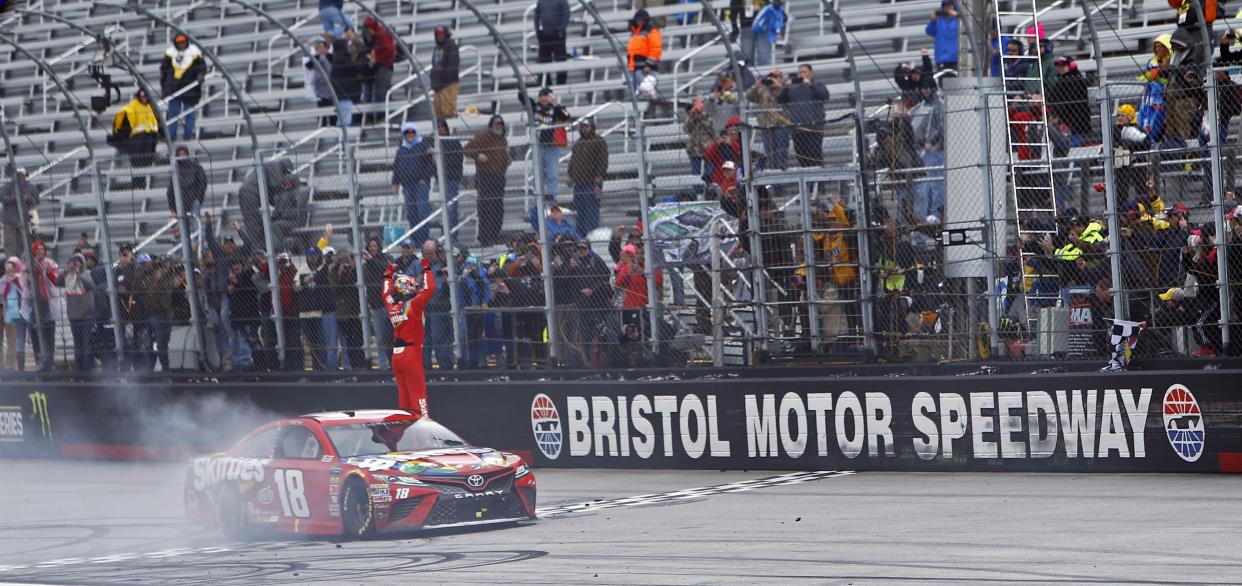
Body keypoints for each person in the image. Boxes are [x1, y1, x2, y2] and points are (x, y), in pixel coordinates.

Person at [384, 255, 436, 416]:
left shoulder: (392, 304)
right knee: (419, 402)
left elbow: (385, 291)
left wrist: (388, 274)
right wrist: (427, 268)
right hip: (411, 355)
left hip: (396, 356)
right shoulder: (414, 305)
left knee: (404, 403)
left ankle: (406, 436)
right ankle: (424, 436)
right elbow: (430, 289)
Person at [464, 115, 512, 245]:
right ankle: (485, 237)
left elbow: (504, 154)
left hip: (499, 178)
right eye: (496, 124)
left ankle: (495, 235)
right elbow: (467, 149)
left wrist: (507, 160)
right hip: (485, 176)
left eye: (500, 124)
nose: (498, 127)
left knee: (498, 208)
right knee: (486, 208)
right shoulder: (482, 136)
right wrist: (478, 155)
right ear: (491, 125)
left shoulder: (503, 140)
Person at [521, 87, 571, 201]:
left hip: (552, 146)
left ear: (551, 97)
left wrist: (557, 103)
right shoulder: (535, 107)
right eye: (541, 96)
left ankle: (552, 204)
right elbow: (522, 98)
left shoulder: (556, 108)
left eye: (546, 95)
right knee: (538, 176)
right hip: (538, 145)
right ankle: (539, 203)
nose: (543, 98)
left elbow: (567, 116)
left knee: (552, 175)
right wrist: (523, 84)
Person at [779, 64, 830, 168]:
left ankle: (819, 181)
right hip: (797, 129)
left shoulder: (818, 85)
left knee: (815, 156)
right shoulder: (794, 89)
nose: (802, 74)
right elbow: (781, 100)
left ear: (811, 73)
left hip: (814, 128)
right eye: (800, 72)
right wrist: (786, 88)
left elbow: (825, 95)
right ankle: (808, 181)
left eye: (804, 72)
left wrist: (810, 85)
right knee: (802, 157)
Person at [392, 122, 436, 244]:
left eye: (412, 133)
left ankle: (423, 239)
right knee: (411, 213)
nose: (409, 135)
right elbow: (397, 167)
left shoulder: (423, 145)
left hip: (420, 184)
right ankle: (415, 239)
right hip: (407, 186)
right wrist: (395, 182)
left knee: (422, 211)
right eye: (407, 133)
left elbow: (431, 164)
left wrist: (424, 178)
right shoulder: (401, 150)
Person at [159, 33, 206, 141]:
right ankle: (171, 136)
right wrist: (164, 89)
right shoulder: (170, 53)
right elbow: (163, 72)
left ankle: (188, 135)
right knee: (173, 113)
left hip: (190, 88)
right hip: (174, 88)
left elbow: (202, 67)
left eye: (183, 42)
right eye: (179, 42)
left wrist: (200, 75)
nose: (181, 44)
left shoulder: (195, 51)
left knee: (190, 113)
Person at [111, 89, 161, 188]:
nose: (144, 99)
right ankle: (138, 184)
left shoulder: (151, 108)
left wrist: (159, 135)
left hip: (150, 139)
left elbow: (156, 123)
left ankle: (141, 183)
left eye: (145, 97)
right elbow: (121, 125)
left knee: (146, 162)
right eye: (142, 97)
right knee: (138, 163)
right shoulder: (131, 108)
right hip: (137, 140)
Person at [567, 117, 608, 236]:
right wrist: (570, 175)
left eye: (587, 127)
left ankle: (592, 237)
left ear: (592, 127)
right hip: (578, 184)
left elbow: (603, 161)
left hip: (592, 183)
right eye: (582, 127)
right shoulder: (578, 143)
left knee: (592, 212)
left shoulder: (599, 141)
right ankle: (581, 237)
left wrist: (599, 177)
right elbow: (572, 161)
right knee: (580, 213)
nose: (584, 129)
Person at [56, 253, 94, 372]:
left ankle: (87, 370)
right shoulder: (67, 275)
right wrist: (66, 270)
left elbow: (90, 285)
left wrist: (78, 273)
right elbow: (57, 282)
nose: (75, 264)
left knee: (87, 343)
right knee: (78, 344)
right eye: (72, 261)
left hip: (86, 315)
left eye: (77, 261)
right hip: (73, 314)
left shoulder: (87, 273)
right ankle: (79, 370)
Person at [329, 247, 366, 370]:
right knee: (349, 344)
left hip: (356, 312)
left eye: (347, 259)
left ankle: (361, 367)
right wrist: (339, 273)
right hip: (343, 314)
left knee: (359, 342)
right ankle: (353, 368)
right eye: (342, 260)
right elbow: (335, 290)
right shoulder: (334, 272)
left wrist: (353, 268)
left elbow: (356, 286)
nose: (345, 263)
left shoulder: (356, 271)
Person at [748, 68, 791, 170]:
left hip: (781, 125)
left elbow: (788, 98)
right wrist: (756, 86)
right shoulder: (763, 91)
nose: (772, 79)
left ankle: (782, 174)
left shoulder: (785, 88)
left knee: (781, 153)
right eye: (770, 77)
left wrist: (779, 86)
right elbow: (749, 97)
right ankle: (773, 175)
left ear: (781, 78)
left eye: (775, 77)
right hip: (766, 126)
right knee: (770, 154)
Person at [363, 235, 393, 369]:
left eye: (374, 246)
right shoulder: (365, 265)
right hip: (375, 305)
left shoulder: (384, 259)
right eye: (370, 247)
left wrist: (372, 260)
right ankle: (383, 365)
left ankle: (394, 363)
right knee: (380, 338)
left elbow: (384, 270)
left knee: (391, 336)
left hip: (387, 303)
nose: (372, 249)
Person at [1047, 56, 1090, 146]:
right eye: (1059, 66)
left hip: (1076, 121)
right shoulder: (1062, 79)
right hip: (1067, 120)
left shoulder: (1074, 79)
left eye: (1063, 65)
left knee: (1073, 147)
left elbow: (1068, 100)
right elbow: (1052, 98)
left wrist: (1058, 116)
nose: (1060, 68)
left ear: (1071, 66)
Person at [27, 240, 57, 372]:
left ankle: (50, 361)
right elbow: (27, 280)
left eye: (43, 249)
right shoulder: (29, 264)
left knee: (49, 332)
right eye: (38, 250)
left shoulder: (50, 263)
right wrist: (35, 266)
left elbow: (56, 280)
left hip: (48, 301)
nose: (41, 252)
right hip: (34, 302)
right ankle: (39, 360)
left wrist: (47, 270)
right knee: (35, 332)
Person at [361, 17, 396, 124]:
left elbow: (390, 50)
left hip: (385, 66)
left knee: (381, 92)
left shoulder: (382, 34)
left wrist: (377, 59)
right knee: (378, 92)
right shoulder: (378, 35)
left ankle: (382, 117)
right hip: (382, 66)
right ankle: (379, 116)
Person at [166, 145, 207, 235]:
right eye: (180, 154)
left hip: (193, 202)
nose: (182, 156)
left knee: (195, 227)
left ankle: (198, 245)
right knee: (183, 231)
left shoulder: (196, 167)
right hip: (180, 206)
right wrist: (172, 208)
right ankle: (188, 247)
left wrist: (198, 200)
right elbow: (170, 191)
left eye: (183, 154)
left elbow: (203, 182)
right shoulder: (175, 170)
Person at [330, 33, 367, 128]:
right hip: (344, 95)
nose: (349, 47)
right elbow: (356, 67)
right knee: (344, 120)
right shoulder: (341, 59)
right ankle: (341, 141)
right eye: (347, 45)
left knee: (345, 118)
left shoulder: (341, 58)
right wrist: (364, 56)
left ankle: (342, 140)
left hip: (345, 94)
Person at [437, 120, 465, 241]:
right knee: (446, 208)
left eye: (442, 127)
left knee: (452, 208)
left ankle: (453, 236)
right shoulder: (434, 142)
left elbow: (458, 159)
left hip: (452, 179)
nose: (440, 129)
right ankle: (448, 235)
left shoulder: (453, 142)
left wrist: (444, 164)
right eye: (438, 127)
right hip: (442, 180)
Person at [0, 168, 38, 255]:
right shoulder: (8, 186)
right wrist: (17, 197)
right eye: (18, 175)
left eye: (22, 175)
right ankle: (11, 263)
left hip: (24, 221)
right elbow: (2, 198)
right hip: (9, 221)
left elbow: (36, 200)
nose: (21, 177)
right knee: (10, 244)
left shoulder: (31, 187)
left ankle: (17, 262)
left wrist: (28, 198)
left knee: (21, 245)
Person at [534, 0, 570, 86]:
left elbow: (566, 14)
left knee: (560, 59)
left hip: (557, 35)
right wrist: (537, 31)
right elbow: (536, 16)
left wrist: (561, 31)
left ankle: (561, 84)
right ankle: (546, 84)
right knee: (543, 60)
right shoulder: (541, 1)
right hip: (545, 35)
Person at [1, 257, 28, 371]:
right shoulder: (5, 279)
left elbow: (22, 289)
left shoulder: (18, 277)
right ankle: (3, 368)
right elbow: (4, 292)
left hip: (12, 310)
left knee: (12, 339)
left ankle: (11, 366)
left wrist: (12, 279)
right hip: (6, 307)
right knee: (8, 340)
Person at [627, 10, 662, 89]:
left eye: (641, 20)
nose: (639, 22)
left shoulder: (652, 31)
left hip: (646, 69)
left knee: (648, 92)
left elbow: (655, 49)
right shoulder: (634, 33)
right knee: (637, 93)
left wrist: (649, 65)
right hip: (635, 69)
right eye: (638, 20)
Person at [683, 97, 716, 181]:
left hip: (708, 148)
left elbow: (712, 129)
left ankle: (711, 189)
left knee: (710, 172)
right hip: (694, 148)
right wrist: (692, 116)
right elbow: (686, 129)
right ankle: (698, 191)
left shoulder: (708, 113)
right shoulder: (691, 115)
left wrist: (701, 116)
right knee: (695, 174)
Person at [431, 26, 460, 119]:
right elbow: (434, 65)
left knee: (448, 112)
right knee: (438, 112)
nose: (440, 36)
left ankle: (449, 131)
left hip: (448, 84)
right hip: (437, 85)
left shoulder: (452, 46)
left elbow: (452, 65)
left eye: (441, 34)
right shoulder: (436, 48)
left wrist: (444, 80)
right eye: (438, 34)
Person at [304, 39, 334, 126]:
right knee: (322, 108)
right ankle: (322, 125)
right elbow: (308, 65)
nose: (320, 50)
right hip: (320, 88)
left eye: (322, 47)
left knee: (332, 108)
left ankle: (333, 124)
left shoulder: (331, 56)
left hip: (332, 87)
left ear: (326, 48)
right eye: (318, 48)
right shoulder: (316, 58)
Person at [925, 0, 959, 71]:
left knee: (958, 80)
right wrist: (933, 20)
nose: (948, 7)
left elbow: (968, 28)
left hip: (957, 58)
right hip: (942, 59)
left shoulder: (958, 20)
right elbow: (929, 31)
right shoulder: (939, 20)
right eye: (945, 5)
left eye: (950, 5)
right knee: (943, 81)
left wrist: (957, 16)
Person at [750, 0, 786, 67]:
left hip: (766, 30)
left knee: (764, 57)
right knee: (749, 55)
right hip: (750, 26)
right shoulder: (768, 8)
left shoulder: (770, 8)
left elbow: (783, 16)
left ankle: (764, 72)